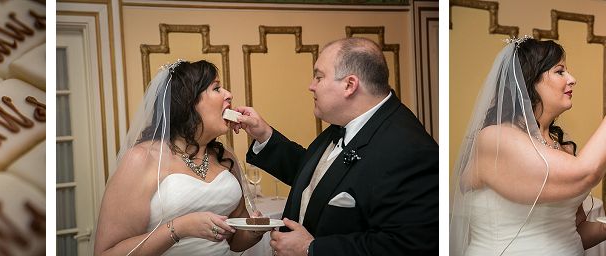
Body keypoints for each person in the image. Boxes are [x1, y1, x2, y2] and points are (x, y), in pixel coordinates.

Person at [449, 37, 606, 255]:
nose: (572, 79)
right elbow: (586, 172)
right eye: (560, 71)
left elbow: (571, 232)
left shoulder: (563, 149)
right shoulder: (495, 139)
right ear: (530, 79)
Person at [230, 37, 438, 255]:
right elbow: (320, 177)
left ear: (349, 85)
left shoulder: (411, 150)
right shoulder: (346, 123)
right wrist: (264, 135)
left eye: (319, 77)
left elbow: (408, 245)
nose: (311, 86)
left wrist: (311, 249)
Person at [94, 60, 266, 255]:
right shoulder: (142, 159)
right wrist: (180, 228)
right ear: (189, 101)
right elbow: (105, 253)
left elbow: (234, 241)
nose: (229, 94)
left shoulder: (224, 157)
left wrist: (252, 231)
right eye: (217, 88)